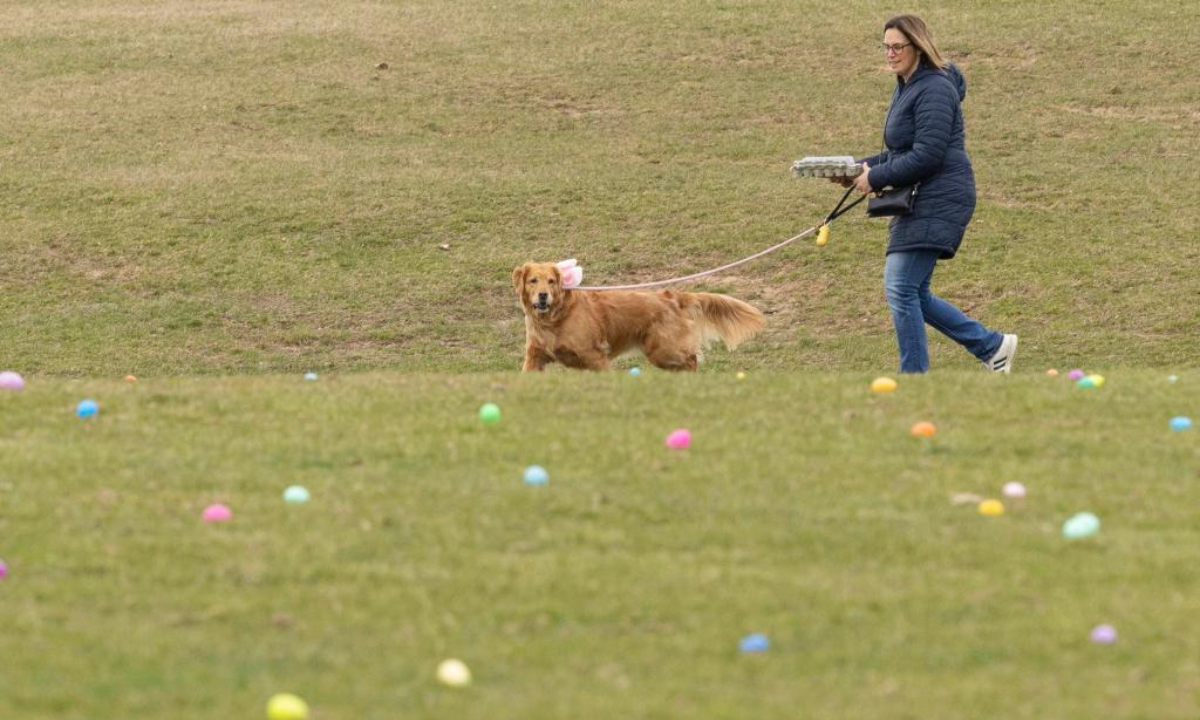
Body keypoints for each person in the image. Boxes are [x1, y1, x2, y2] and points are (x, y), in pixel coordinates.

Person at [843, 15, 1016, 374]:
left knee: (900, 286)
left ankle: (914, 379)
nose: (890, 54)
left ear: (918, 47)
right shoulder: (908, 85)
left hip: (940, 195)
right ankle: (992, 346)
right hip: (924, 196)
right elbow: (902, 151)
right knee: (913, 291)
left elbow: (928, 155)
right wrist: (855, 169)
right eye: (886, 47)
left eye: (897, 47)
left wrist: (877, 177)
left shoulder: (934, 87)